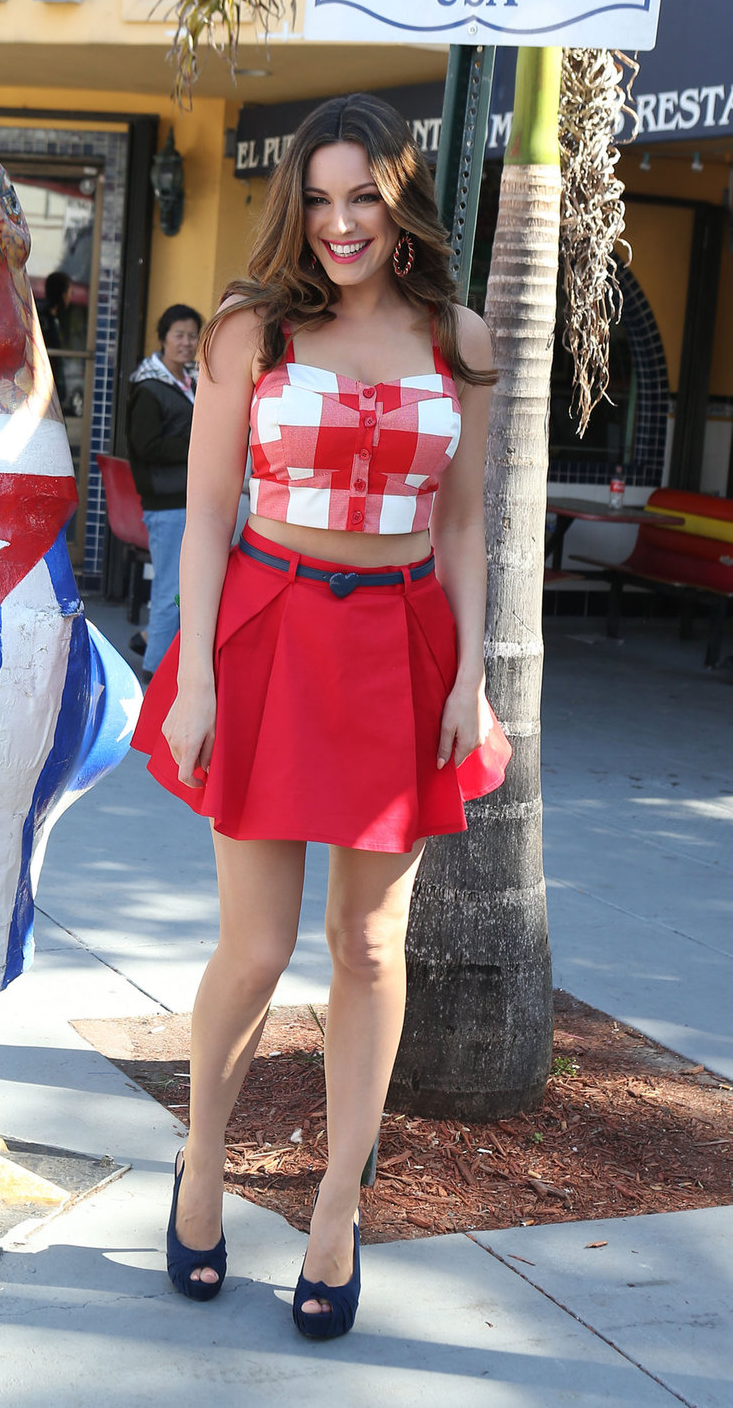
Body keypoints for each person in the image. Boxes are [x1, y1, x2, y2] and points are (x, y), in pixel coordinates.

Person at [130, 94, 512, 1338]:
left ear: (403, 205)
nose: (341, 224)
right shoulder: (251, 330)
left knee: (368, 945)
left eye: (365, 198)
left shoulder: (460, 339)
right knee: (254, 948)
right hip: (270, 630)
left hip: (400, 642)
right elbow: (206, 512)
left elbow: (463, 520)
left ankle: (337, 1209)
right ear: (295, 207)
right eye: (319, 199)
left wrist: (468, 672)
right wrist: (195, 677)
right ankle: (201, 1167)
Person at [125, 304, 203, 679]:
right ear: (163, 338)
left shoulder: (192, 380)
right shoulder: (149, 387)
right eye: (179, 335)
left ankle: (157, 650)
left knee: (185, 591)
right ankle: (155, 671)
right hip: (168, 504)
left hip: (191, 500)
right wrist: (199, 444)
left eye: (192, 336)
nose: (186, 342)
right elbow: (146, 446)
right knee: (171, 590)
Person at [39, 270, 72, 413]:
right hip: (46, 390)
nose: (70, 297)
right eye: (69, 293)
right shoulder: (43, 321)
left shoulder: (57, 320)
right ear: (62, 294)